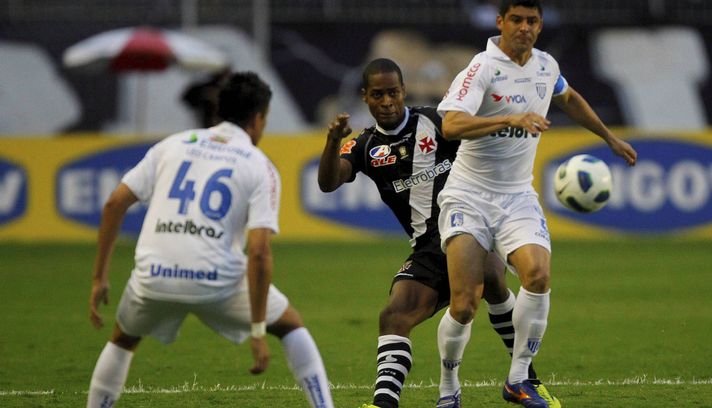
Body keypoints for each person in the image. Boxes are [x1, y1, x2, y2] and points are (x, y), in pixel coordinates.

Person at [318, 58, 558, 408]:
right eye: (378, 95)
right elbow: (328, 183)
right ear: (365, 97)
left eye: (393, 93)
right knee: (394, 316)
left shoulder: (436, 121)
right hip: (427, 248)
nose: (387, 102)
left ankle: (526, 380)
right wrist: (331, 142)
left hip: (468, 227)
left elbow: (477, 141)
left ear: (404, 91)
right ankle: (384, 403)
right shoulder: (364, 146)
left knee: (493, 276)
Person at [87, 71, 334, 408]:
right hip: (216, 282)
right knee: (291, 326)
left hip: (154, 276)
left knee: (122, 339)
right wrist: (258, 331)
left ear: (219, 110)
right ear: (258, 118)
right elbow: (259, 253)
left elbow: (114, 204)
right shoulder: (259, 165)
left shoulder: (172, 145)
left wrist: (99, 278)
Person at [435, 1, 638, 407]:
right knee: (465, 303)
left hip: (517, 197)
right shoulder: (482, 67)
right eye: (516, 20)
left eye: (532, 21)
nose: (524, 27)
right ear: (501, 22)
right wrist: (507, 119)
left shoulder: (546, 65)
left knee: (538, 275)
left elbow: (569, 97)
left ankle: (517, 380)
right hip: (468, 195)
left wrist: (608, 137)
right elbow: (451, 124)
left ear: (540, 26)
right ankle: (448, 387)